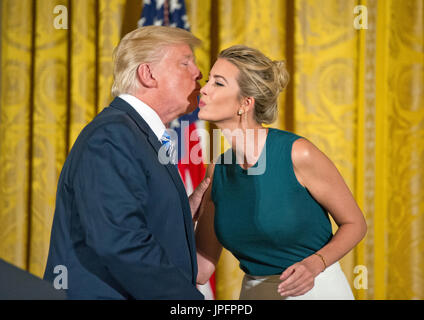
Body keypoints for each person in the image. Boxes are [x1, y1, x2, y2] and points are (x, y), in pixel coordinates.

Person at [43, 26, 210, 300]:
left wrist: (179, 211)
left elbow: (125, 222)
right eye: (185, 62)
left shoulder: (135, 134)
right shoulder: (112, 136)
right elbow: (119, 241)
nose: (198, 72)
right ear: (148, 74)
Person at [195, 45, 367, 300]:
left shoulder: (298, 154)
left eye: (218, 83)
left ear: (245, 103)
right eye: (208, 80)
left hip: (316, 290)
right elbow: (200, 269)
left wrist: (315, 264)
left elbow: (356, 224)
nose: (204, 89)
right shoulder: (217, 169)